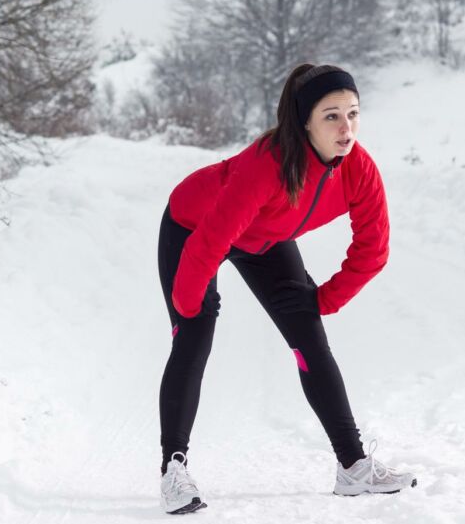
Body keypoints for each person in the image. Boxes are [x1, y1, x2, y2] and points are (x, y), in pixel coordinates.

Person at [155, 64, 417, 515]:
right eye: (332, 116)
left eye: (353, 113)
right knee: (195, 336)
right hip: (194, 224)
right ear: (305, 122)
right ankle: (173, 469)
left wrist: (323, 299)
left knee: (310, 340)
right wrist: (188, 306)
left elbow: (373, 249)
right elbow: (211, 240)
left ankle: (353, 466)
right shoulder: (269, 164)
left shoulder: (358, 168)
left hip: (266, 239)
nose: (346, 127)